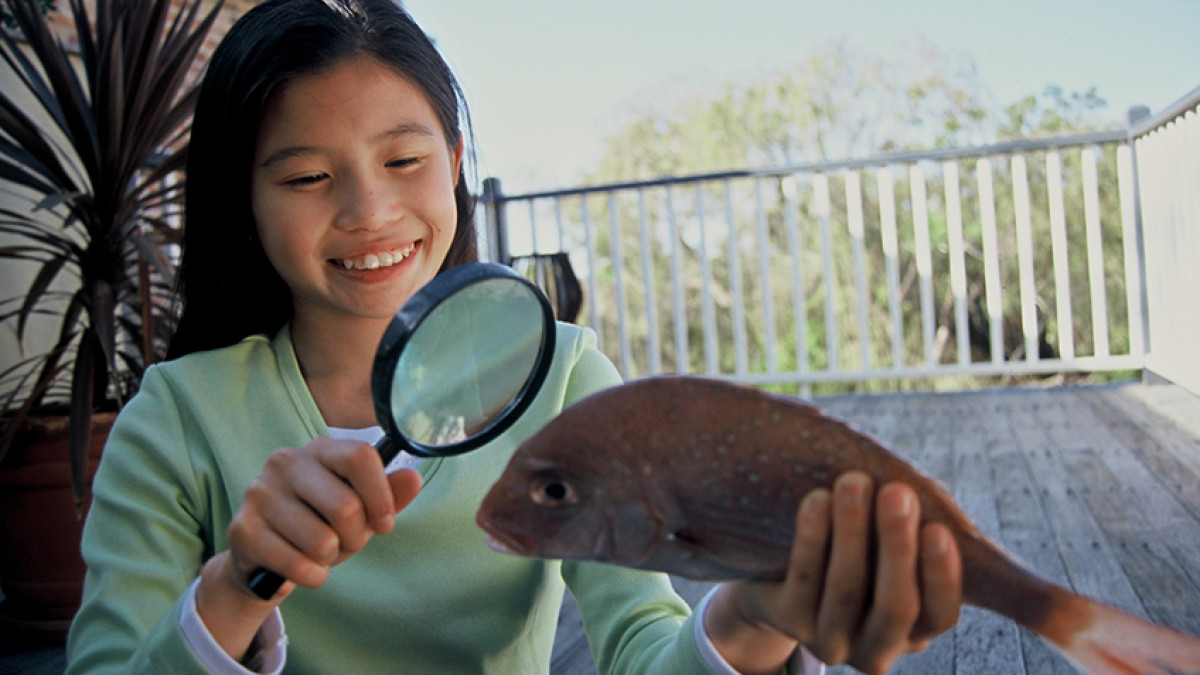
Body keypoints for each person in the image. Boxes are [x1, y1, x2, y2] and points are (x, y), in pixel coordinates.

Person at [65, 1, 964, 673]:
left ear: (455, 167)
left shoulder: (564, 375)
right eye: (305, 175)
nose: (368, 210)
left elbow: (641, 644)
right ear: (243, 200)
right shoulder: (174, 420)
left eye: (405, 161)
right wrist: (236, 585)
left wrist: (753, 615)